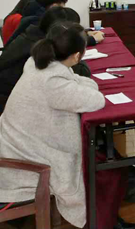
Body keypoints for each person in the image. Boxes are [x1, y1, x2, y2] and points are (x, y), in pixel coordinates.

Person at [0, 22, 109, 228]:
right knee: (95, 163)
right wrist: (84, 83)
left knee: (97, 155)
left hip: (14, 145)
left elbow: (76, 80)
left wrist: (78, 82)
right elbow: (96, 99)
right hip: (20, 165)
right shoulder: (54, 83)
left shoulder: (37, 64)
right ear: (76, 56)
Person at [0, 7, 94, 112]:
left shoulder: (33, 36)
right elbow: (81, 72)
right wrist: (77, 52)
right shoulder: (42, 49)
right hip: (11, 102)